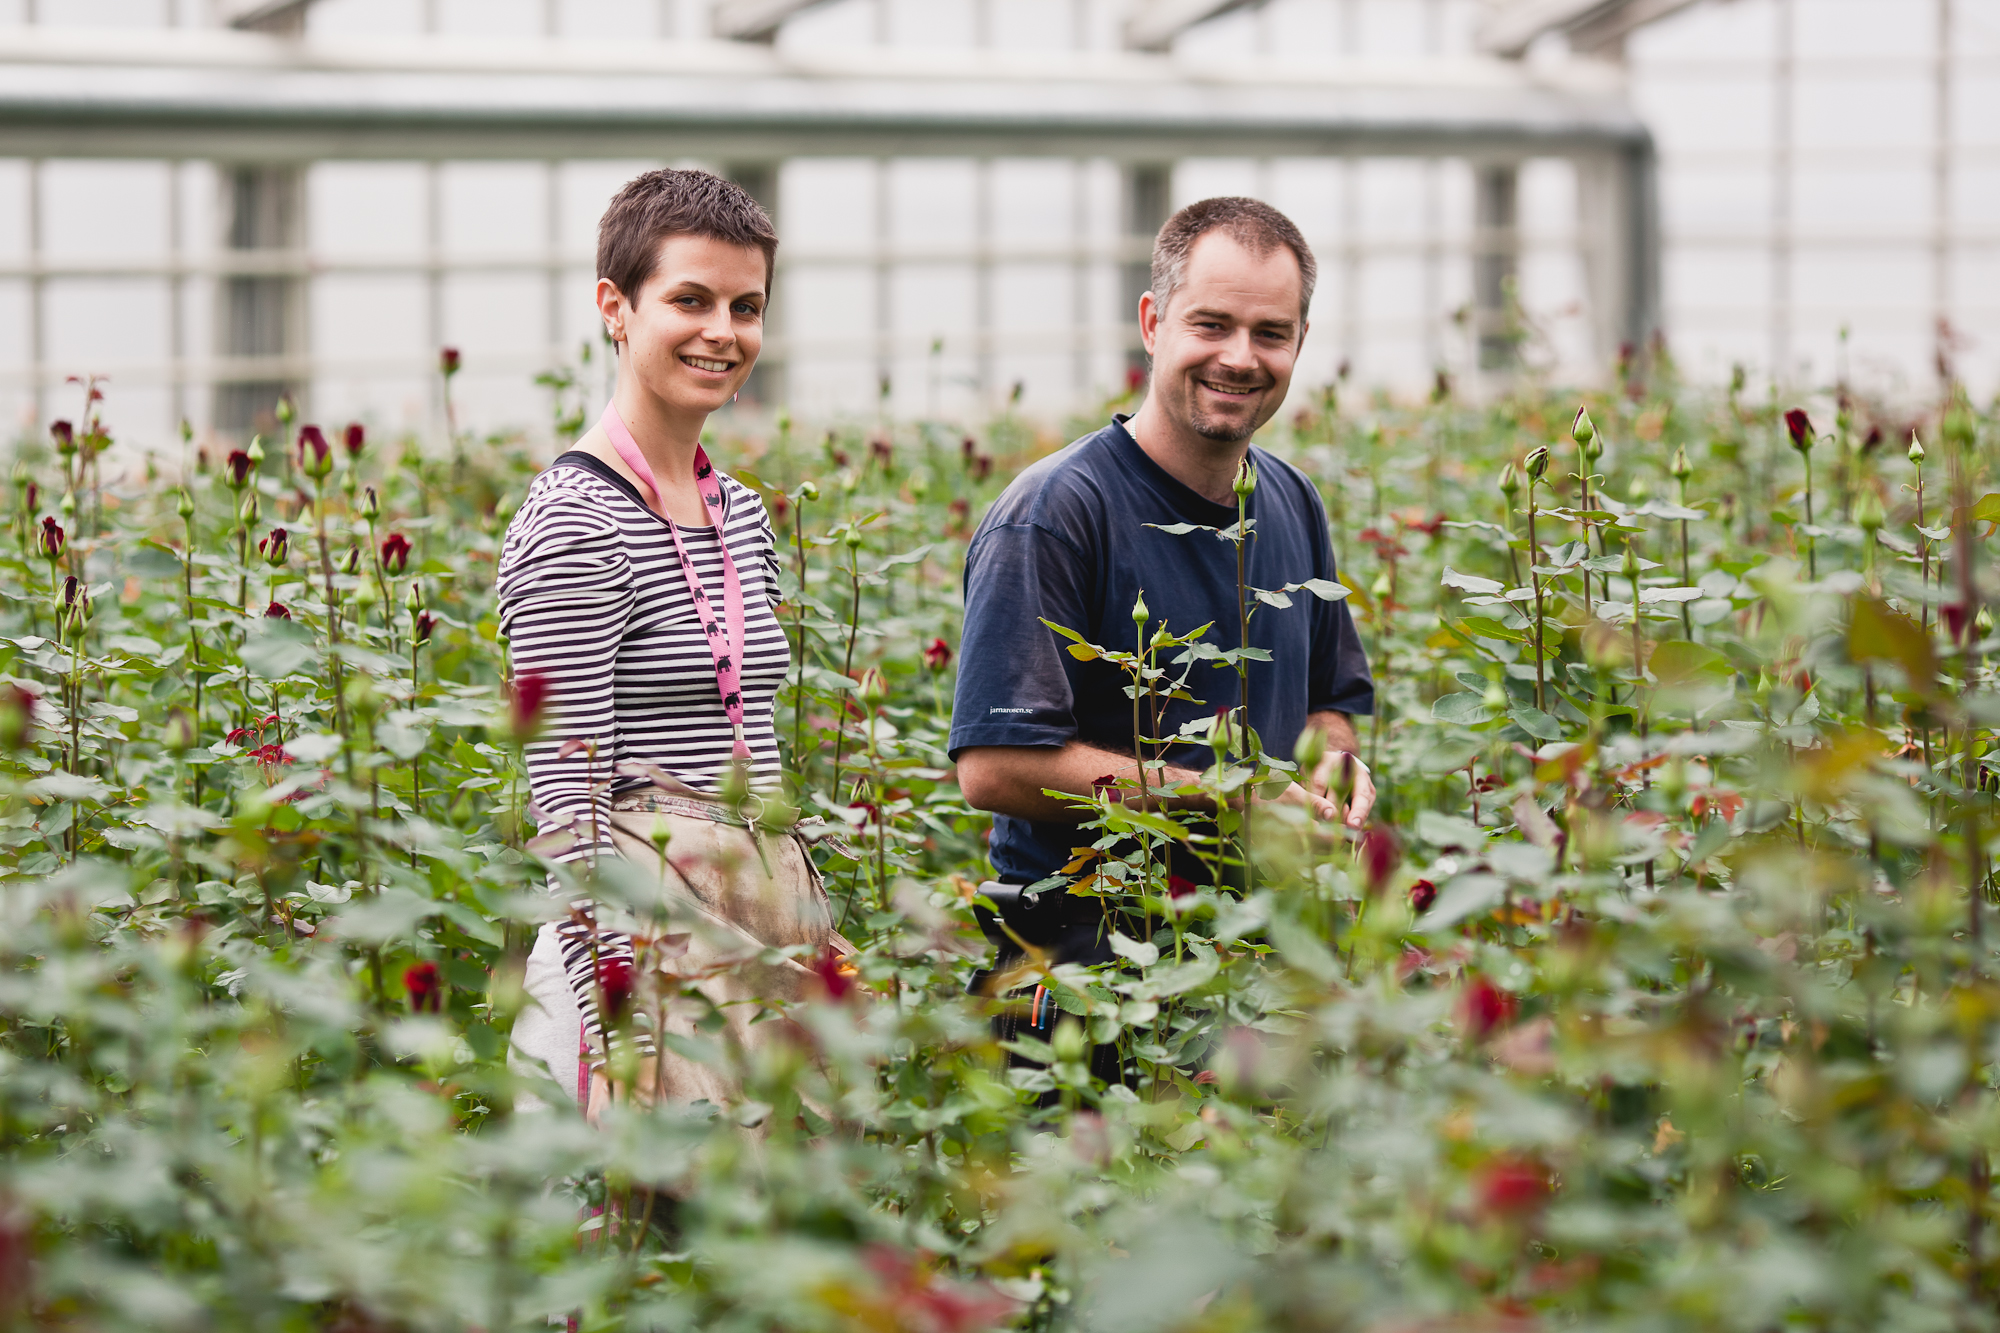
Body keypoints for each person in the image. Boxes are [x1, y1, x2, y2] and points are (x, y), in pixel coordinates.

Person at [948, 196, 1376, 983]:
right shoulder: (1057, 512)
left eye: (1270, 333)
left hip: (1264, 959)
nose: (1241, 357)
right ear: (1153, 323)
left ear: (1301, 343)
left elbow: (1332, 700)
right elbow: (995, 765)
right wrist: (1226, 797)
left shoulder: (1291, 501)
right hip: (1092, 961)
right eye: (1211, 324)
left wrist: (1336, 762)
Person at [497, 169, 845, 1118]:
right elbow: (568, 803)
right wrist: (623, 1025)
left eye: (747, 306)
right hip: (635, 967)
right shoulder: (577, 519)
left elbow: (752, 741)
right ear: (616, 306)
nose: (722, 332)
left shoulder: (739, 510)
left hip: (744, 942)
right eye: (689, 299)